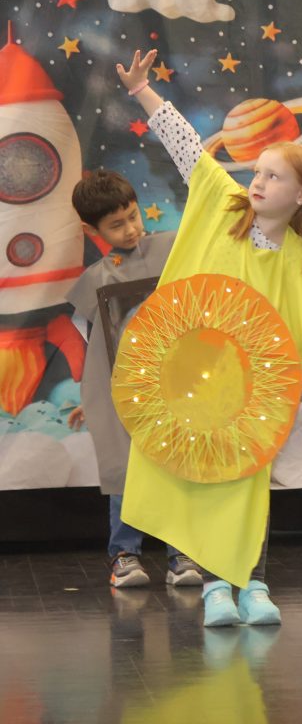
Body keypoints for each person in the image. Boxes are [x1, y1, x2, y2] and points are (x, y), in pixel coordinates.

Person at [114, 48, 302, 626]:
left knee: (247, 489)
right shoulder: (223, 204)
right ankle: (216, 586)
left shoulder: (298, 259)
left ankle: (254, 584)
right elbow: (186, 146)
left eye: (273, 176)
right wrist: (143, 91)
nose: (259, 181)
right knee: (201, 483)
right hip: (193, 384)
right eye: (258, 171)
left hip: (249, 401)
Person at [66, 170, 199, 589]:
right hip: (127, 390)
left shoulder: (172, 250)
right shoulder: (97, 279)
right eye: (116, 224)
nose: (130, 229)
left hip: (176, 383)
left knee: (178, 465)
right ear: (92, 230)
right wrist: (93, 398)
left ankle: (182, 551)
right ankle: (125, 553)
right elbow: (100, 347)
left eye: (132, 216)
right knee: (125, 470)